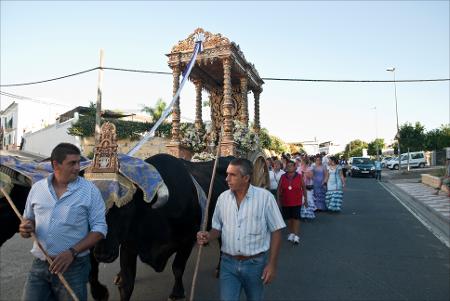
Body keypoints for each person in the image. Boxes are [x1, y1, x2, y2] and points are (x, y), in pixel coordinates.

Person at [19, 143, 107, 301]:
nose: (77, 167)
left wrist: (72, 252)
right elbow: (28, 220)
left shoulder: (90, 190)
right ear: (55, 164)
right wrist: (26, 228)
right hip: (40, 264)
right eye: (72, 163)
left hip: (73, 267)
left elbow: (100, 229)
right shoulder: (37, 189)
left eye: (78, 162)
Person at [197, 158, 285, 301]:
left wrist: (272, 264)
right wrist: (207, 236)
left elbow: (276, 231)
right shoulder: (222, 199)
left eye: (232, 175)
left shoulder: (265, 198)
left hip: (255, 265)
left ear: (246, 178)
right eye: (227, 174)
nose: (227, 179)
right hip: (228, 264)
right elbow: (217, 229)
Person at [277, 160, 306, 244]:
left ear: (295, 167)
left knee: (296, 218)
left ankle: (296, 235)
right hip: (285, 201)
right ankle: (291, 233)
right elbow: (279, 189)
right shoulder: (283, 176)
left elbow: (304, 188)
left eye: (291, 166)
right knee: (288, 219)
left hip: (297, 201)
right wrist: (278, 200)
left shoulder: (299, 176)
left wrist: (306, 199)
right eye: (288, 165)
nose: (289, 167)